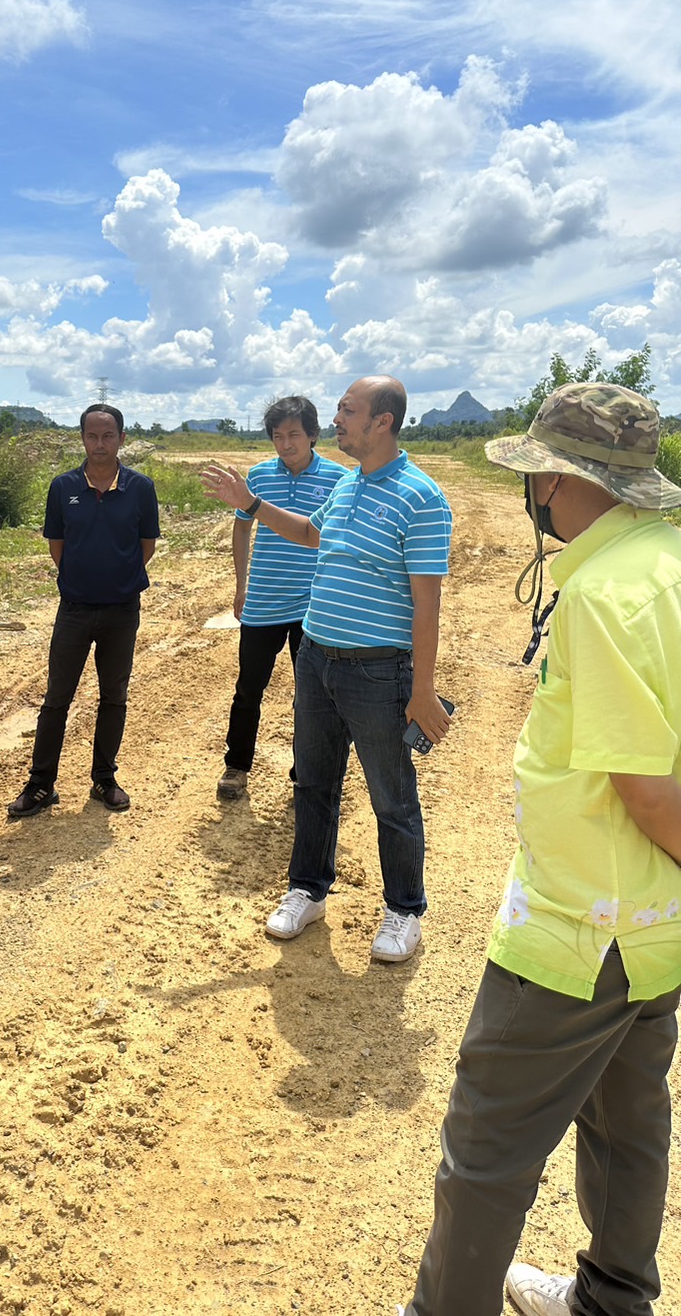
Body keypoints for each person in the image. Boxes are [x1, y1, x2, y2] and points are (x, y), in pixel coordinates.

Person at [400, 383, 681, 1316]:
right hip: (653, 926)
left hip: (576, 929)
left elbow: (645, 790)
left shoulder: (600, 594)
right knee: (627, 1119)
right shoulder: (666, 559)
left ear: (558, 480)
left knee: (485, 1148)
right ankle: (611, 1297)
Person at [202, 375, 452, 962]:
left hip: (377, 671)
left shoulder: (420, 496)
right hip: (316, 659)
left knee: (392, 797)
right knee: (314, 782)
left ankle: (403, 909)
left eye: (347, 410)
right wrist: (253, 506)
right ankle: (308, 889)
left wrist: (423, 690)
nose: (336, 419)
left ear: (382, 422)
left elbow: (428, 604)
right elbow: (313, 535)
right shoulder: (351, 486)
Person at [8, 403, 161, 818]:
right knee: (57, 697)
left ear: (122, 439)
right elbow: (57, 546)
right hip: (74, 608)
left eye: (107, 435)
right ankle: (41, 784)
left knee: (114, 696)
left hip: (122, 610)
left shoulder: (141, 488)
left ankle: (104, 779)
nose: (99, 444)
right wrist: (82, 578)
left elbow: (146, 545)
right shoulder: (63, 487)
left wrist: (117, 579)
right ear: (82, 439)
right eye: (92, 436)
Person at [216, 395, 345, 802]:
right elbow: (242, 529)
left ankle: (305, 769)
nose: (285, 444)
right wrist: (241, 585)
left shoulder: (339, 480)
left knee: (311, 695)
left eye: (293, 434)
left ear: (313, 435)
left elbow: (337, 540)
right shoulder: (257, 477)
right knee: (248, 689)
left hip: (313, 607)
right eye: (277, 436)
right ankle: (236, 766)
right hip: (263, 602)